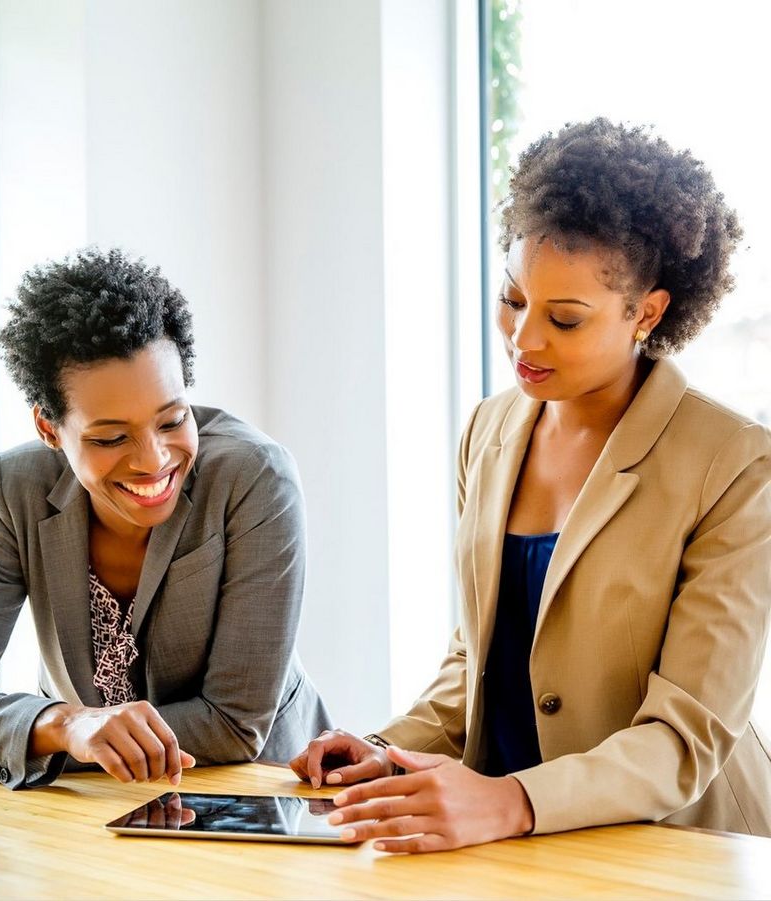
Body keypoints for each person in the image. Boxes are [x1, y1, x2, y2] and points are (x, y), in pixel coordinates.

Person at [290, 117, 771, 851]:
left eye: (566, 319)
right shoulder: (488, 430)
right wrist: (383, 749)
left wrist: (511, 800)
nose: (523, 339)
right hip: (516, 847)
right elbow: (477, 661)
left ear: (647, 311)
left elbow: (686, 737)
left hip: (684, 848)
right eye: (513, 299)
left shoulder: (735, 463)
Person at [0, 247, 330, 790]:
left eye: (172, 419)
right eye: (111, 437)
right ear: (49, 428)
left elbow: (234, 724)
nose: (153, 460)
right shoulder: (15, 487)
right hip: (82, 809)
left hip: (262, 795)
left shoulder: (255, 477)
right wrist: (63, 723)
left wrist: (46, 739)